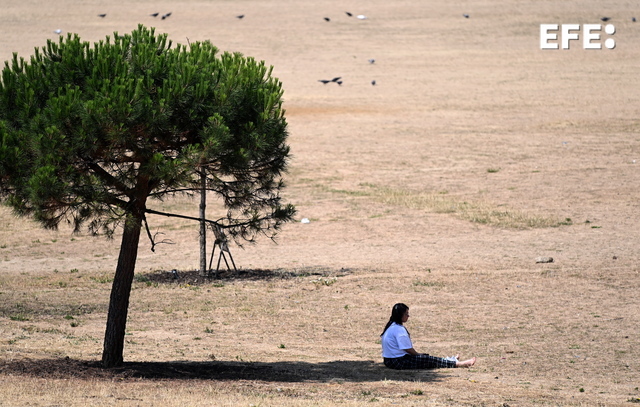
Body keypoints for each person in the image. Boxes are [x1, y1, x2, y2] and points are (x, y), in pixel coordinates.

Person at [380, 303, 476, 369]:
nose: (408, 316)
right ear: (400, 316)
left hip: (388, 361)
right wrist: (418, 355)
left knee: (426, 360)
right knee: (426, 359)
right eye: (406, 314)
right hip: (397, 361)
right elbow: (407, 349)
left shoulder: (391, 325)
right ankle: (458, 364)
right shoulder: (399, 329)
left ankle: (450, 360)